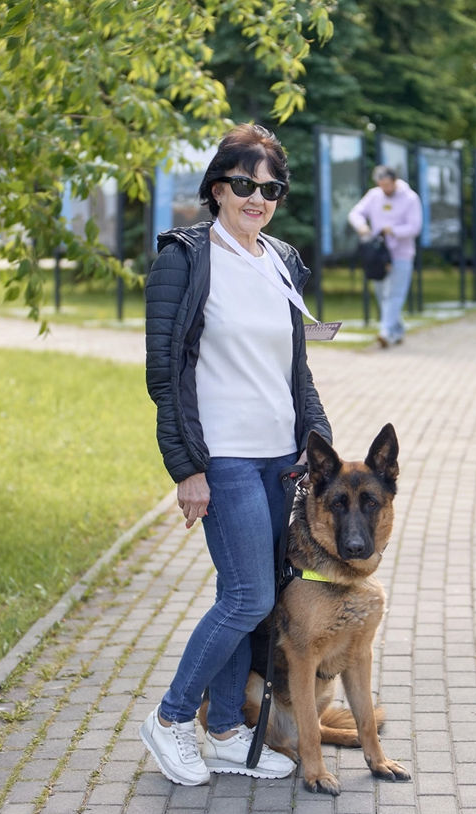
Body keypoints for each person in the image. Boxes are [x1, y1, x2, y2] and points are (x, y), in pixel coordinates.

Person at [141, 124, 332, 786]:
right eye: (245, 184)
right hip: (222, 457)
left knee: (254, 594)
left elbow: (295, 368)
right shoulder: (186, 258)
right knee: (249, 596)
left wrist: (318, 445)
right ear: (218, 187)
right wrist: (186, 468)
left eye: (270, 189)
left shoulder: (280, 259)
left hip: (281, 460)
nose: (258, 198)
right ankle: (170, 717)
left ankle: (224, 729)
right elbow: (165, 374)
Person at [348, 166, 422, 349]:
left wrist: (393, 230)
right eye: (382, 185)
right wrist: (362, 226)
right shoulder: (374, 195)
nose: (385, 189)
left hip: (401, 254)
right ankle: (397, 329)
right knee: (381, 293)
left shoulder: (410, 198)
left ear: (395, 181)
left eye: (388, 185)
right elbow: (355, 213)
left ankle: (385, 333)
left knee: (394, 294)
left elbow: (415, 227)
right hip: (378, 254)